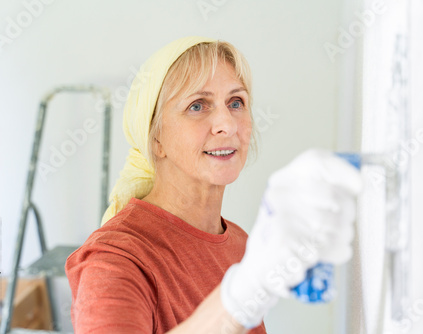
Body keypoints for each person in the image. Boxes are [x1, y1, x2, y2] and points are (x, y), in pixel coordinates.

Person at [65, 36, 363, 334]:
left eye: (236, 102)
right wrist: (239, 296)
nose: (228, 124)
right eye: (198, 106)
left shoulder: (240, 242)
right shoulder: (115, 258)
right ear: (155, 139)